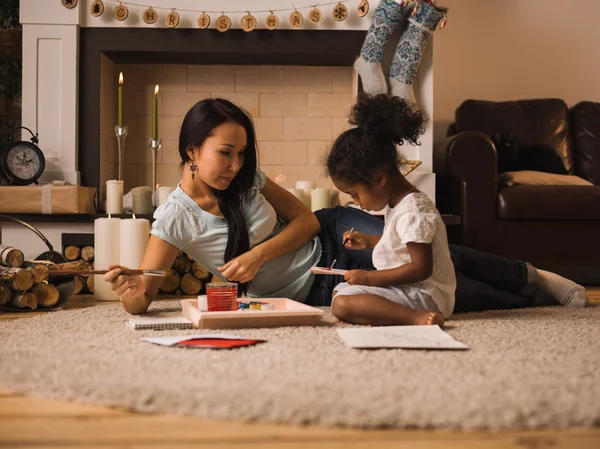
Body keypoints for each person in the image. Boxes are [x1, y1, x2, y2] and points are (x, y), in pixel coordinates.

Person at [105, 97, 589, 316]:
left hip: (333, 235)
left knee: (426, 251)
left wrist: (259, 255)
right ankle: (532, 301)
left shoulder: (250, 177)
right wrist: (130, 290)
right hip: (316, 291)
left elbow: (307, 220)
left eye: (242, 152)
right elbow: (141, 298)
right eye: (224, 153)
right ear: (192, 150)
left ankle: (533, 276)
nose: (236, 164)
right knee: (453, 298)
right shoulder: (173, 216)